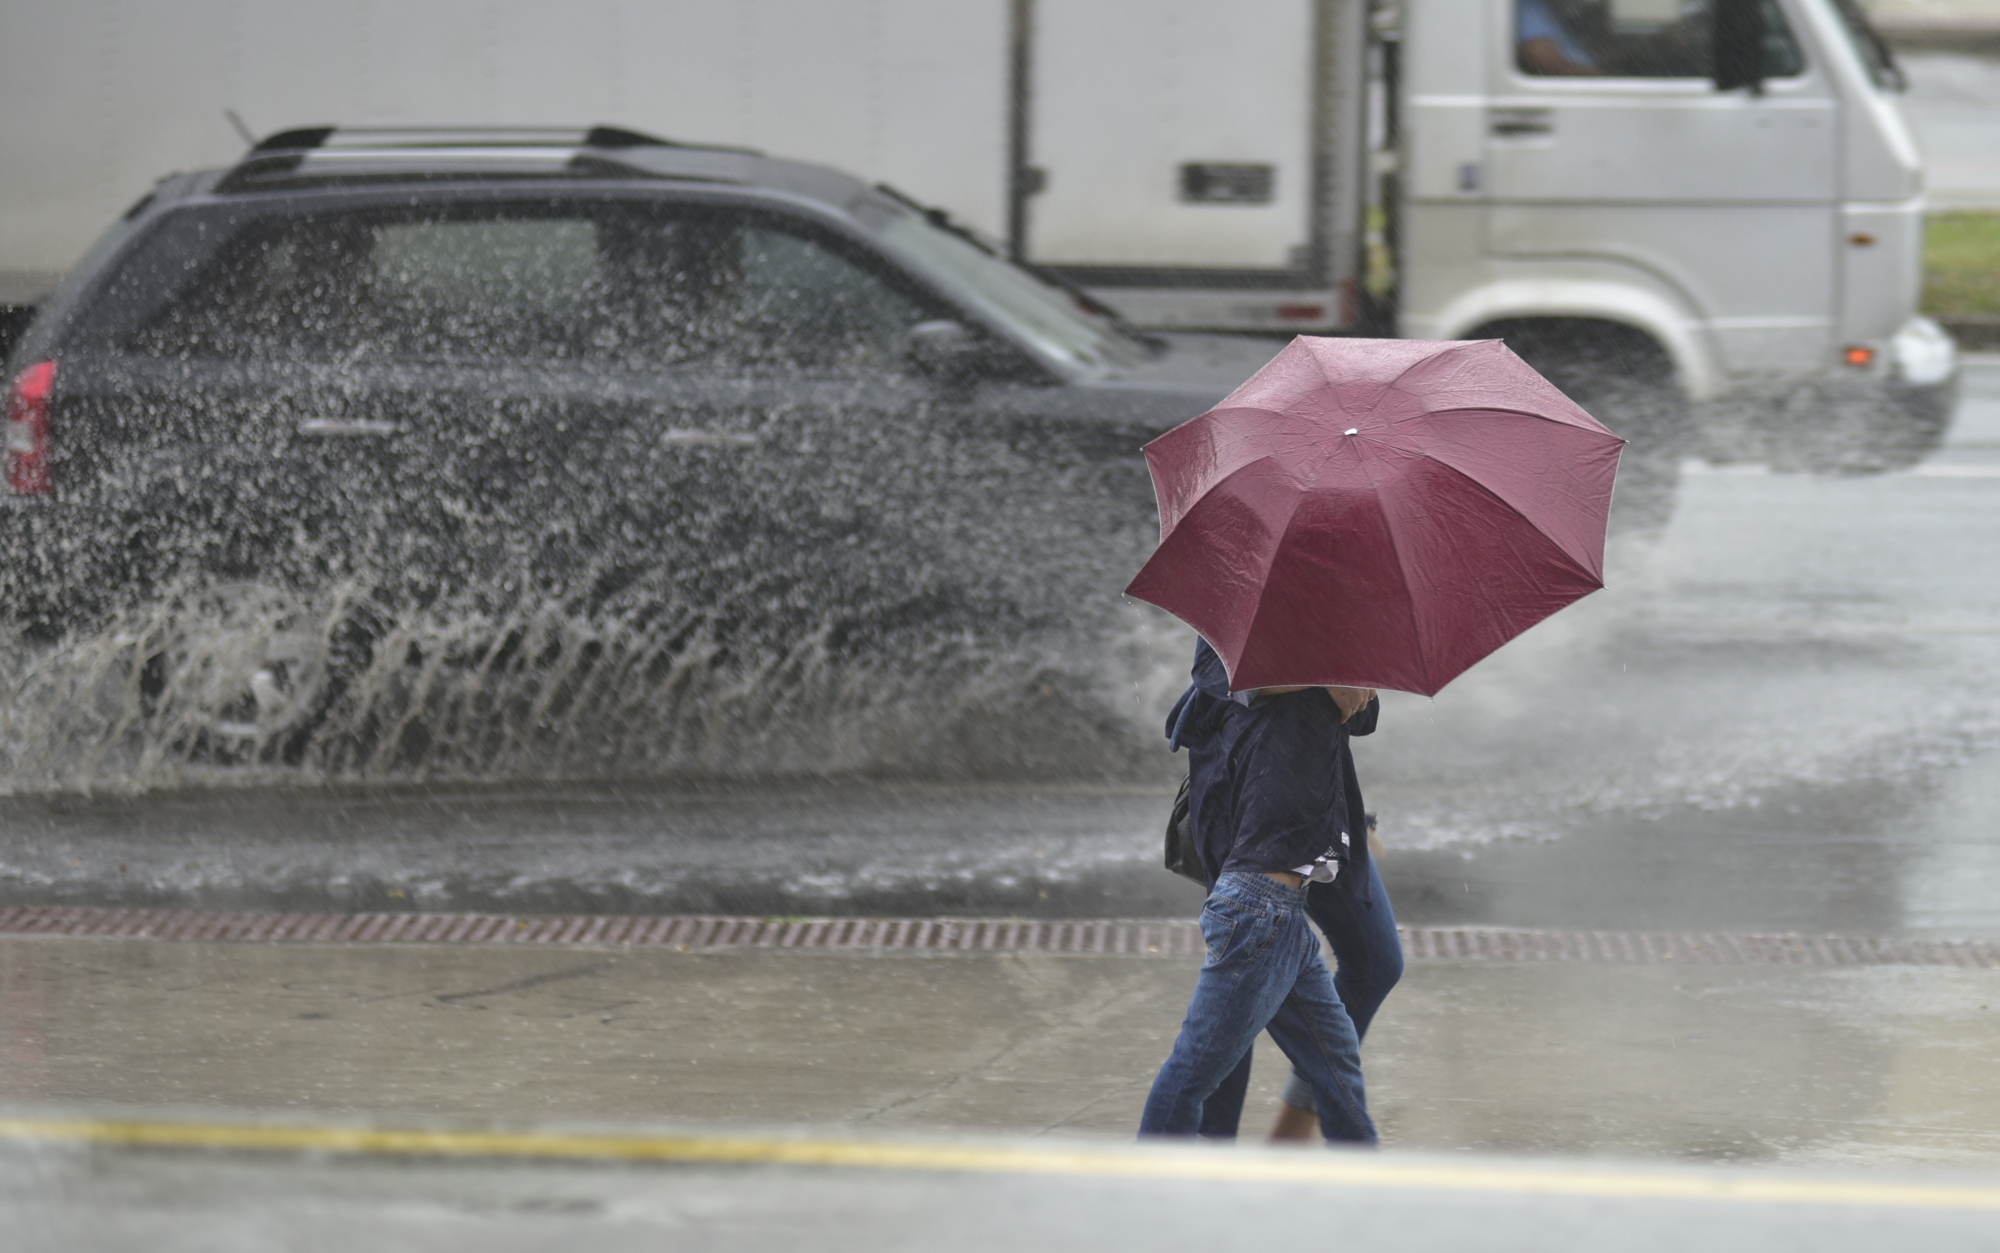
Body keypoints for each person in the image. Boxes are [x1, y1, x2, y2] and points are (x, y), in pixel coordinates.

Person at [1137, 638, 1393, 1144]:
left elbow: (1361, 714)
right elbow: (1213, 680)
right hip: (1256, 901)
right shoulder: (1249, 666)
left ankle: (1366, 1195)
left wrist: (1352, 671)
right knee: (1199, 1069)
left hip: (1286, 906)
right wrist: (1325, 672)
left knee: (1338, 1065)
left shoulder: (1342, 627)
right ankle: (1156, 1189)